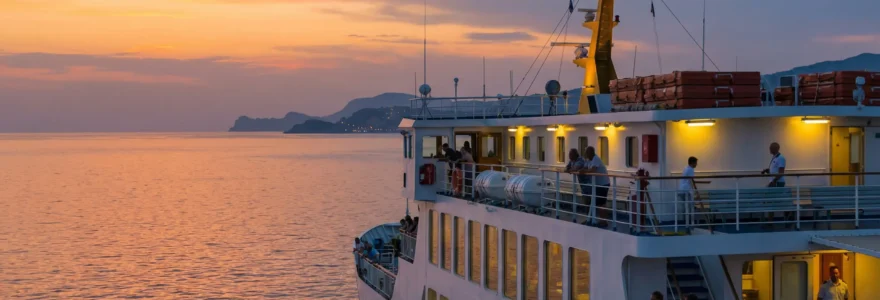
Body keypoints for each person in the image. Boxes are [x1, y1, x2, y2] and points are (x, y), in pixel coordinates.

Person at [582, 146, 610, 227]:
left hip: (603, 184)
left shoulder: (595, 159)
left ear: (591, 153)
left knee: (601, 203)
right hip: (597, 184)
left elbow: (593, 170)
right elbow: (584, 168)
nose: (585, 154)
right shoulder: (589, 160)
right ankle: (590, 219)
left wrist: (584, 171)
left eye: (587, 152)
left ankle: (604, 222)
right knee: (595, 201)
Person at [565, 149, 589, 215]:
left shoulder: (580, 160)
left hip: (588, 182)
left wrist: (569, 170)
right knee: (585, 198)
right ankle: (588, 217)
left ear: (575, 155)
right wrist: (568, 169)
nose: (569, 156)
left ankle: (590, 217)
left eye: (570, 154)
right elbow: (567, 167)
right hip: (582, 182)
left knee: (587, 199)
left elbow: (576, 168)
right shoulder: (572, 160)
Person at [679, 157, 698, 226]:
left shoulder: (686, 168)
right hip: (686, 190)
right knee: (691, 206)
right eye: (696, 163)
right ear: (692, 163)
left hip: (682, 190)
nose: (696, 164)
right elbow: (691, 181)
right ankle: (691, 224)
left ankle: (687, 224)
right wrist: (695, 191)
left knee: (688, 206)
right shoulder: (690, 169)